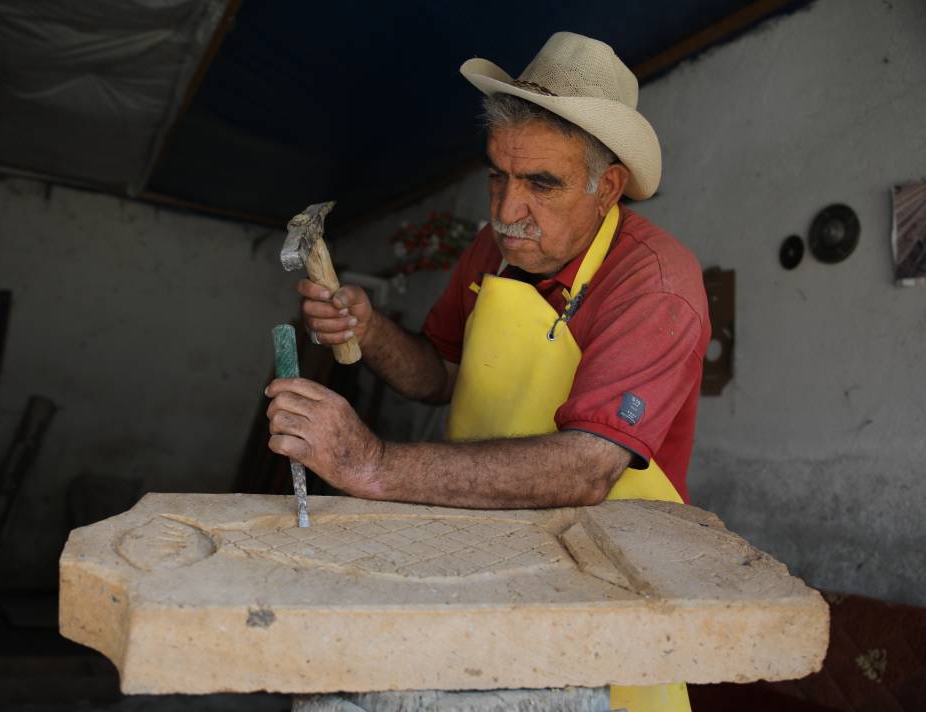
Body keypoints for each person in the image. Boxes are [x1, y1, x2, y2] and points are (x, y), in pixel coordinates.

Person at [266, 32, 709, 712]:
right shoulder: (491, 251)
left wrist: (372, 463)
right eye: (498, 175)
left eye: (541, 183)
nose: (506, 212)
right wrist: (371, 328)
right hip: (476, 549)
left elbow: (587, 468)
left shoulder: (655, 285)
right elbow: (439, 374)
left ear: (607, 186)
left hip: (603, 582)